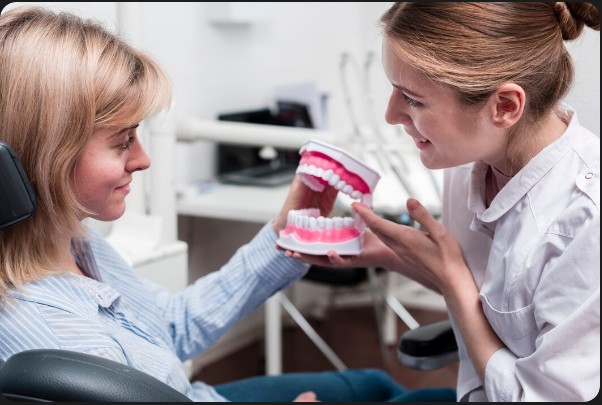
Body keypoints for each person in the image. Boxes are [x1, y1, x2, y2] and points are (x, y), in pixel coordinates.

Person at [0, 5, 458, 403]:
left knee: (374, 385)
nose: (142, 160)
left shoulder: (76, 246)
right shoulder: (53, 338)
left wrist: (284, 234)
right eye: (122, 142)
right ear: (46, 154)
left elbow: (171, 327)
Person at [285, 2, 600, 402]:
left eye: (413, 99)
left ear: (505, 106)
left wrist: (453, 281)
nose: (391, 114)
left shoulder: (586, 220)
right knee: (363, 387)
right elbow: (495, 292)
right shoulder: (470, 162)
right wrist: (387, 253)